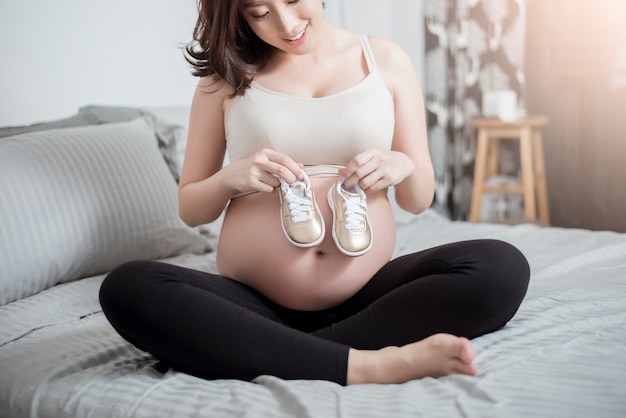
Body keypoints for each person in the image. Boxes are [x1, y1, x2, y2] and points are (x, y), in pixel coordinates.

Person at [99, 0, 530, 386]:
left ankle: (277, 349)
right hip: (254, 301)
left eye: (292, 0)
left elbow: (418, 198)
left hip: (369, 299)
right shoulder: (224, 76)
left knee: (501, 267)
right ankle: (368, 365)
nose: (286, 23)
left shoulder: (385, 60)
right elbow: (191, 207)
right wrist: (231, 177)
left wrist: (402, 165)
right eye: (258, 12)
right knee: (128, 287)